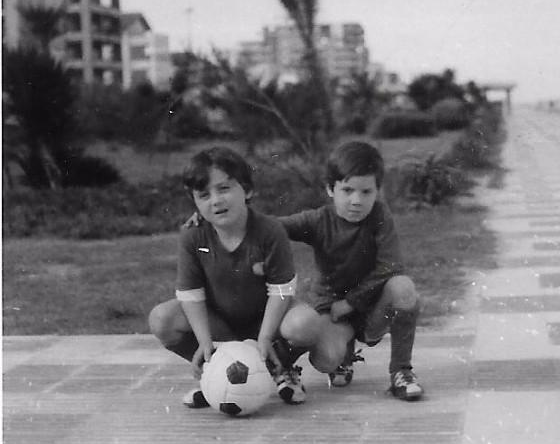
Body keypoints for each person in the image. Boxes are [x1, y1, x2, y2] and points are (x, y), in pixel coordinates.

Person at [148, 146, 305, 408]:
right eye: (204, 195)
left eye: (224, 189)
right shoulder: (193, 235)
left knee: (305, 324)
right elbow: (190, 294)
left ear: (248, 190)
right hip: (219, 323)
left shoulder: (270, 231)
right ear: (195, 203)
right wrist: (204, 341)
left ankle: (280, 370)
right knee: (161, 318)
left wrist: (265, 337)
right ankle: (216, 375)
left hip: (264, 321)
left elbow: (281, 290)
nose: (216, 200)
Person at [276, 140, 423, 402]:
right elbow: (271, 228)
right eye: (347, 190)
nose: (356, 201)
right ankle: (342, 356)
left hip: (370, 310)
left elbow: (391, 266)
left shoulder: (379, 215)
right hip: (333, 313)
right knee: (325, 360)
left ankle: (402, 371)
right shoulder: (319, 220)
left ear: (377, 191)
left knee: (403, 288)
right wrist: (214, 221)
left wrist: (352, 302)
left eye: (366, 192)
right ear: (330, 189)